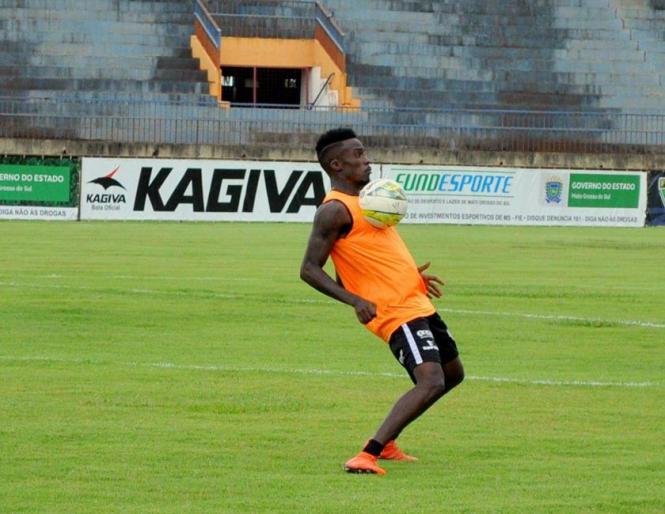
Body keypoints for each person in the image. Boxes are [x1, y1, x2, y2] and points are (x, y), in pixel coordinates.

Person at [300, 128, 465, 475]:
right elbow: (309, 270)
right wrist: (354, 300)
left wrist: (411, 276)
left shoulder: (371, 203)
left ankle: (388, 443)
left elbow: (365, 258)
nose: (367, 160)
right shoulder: (334, 210)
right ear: (336, 164)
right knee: (431, 380)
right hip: (393, 312)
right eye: (358, 155)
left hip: (416, 302)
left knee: (453, 374)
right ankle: (368, 453)